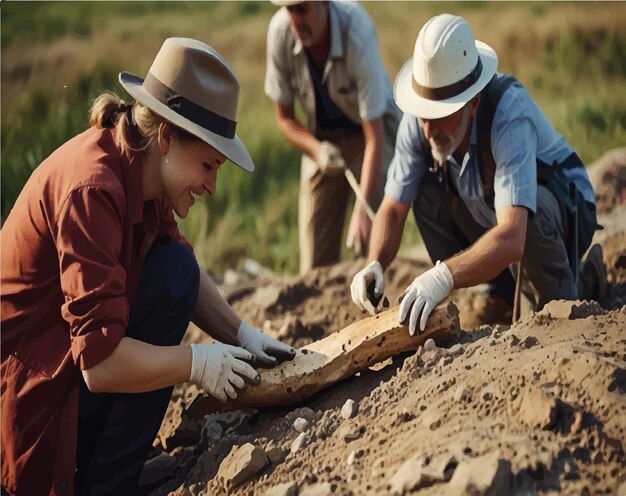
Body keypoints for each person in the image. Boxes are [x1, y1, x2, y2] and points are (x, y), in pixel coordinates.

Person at [1, 38, 295, 496]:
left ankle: (111, 481)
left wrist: (240, 335)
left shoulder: (144, 172)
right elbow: (98, 366)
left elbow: (180, 271)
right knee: (173, 283)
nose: (213, 186)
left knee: (177, 268)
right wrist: (196, 364)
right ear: (165, 137)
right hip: (32, 410)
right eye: (208, 165)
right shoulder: (92, 190)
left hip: (66, 378)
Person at [350, 14, 604, 335]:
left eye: (441, 115)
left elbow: (512, 235)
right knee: (424, 191)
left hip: (565, 209)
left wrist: (442, 277)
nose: (428, 129)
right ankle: (499, 291)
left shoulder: (508, 112)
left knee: (548, 315)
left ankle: (579, 285)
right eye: (424, 114)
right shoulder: (420, 124)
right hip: (493, 209)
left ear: (472, 101)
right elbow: (393, 209)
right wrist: (374, 263)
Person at [265, 0, 401, 275]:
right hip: (321, 141)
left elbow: (373, 136)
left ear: (324, 3)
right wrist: (317, 151)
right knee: (314, 267)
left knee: (372, 242)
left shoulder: (356, 30)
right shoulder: (279, 32)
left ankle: (378, 303)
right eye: (290, 10)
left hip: (367, 137)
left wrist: (363, 207)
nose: (296, 20)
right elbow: (285, 118)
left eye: (302, 9)